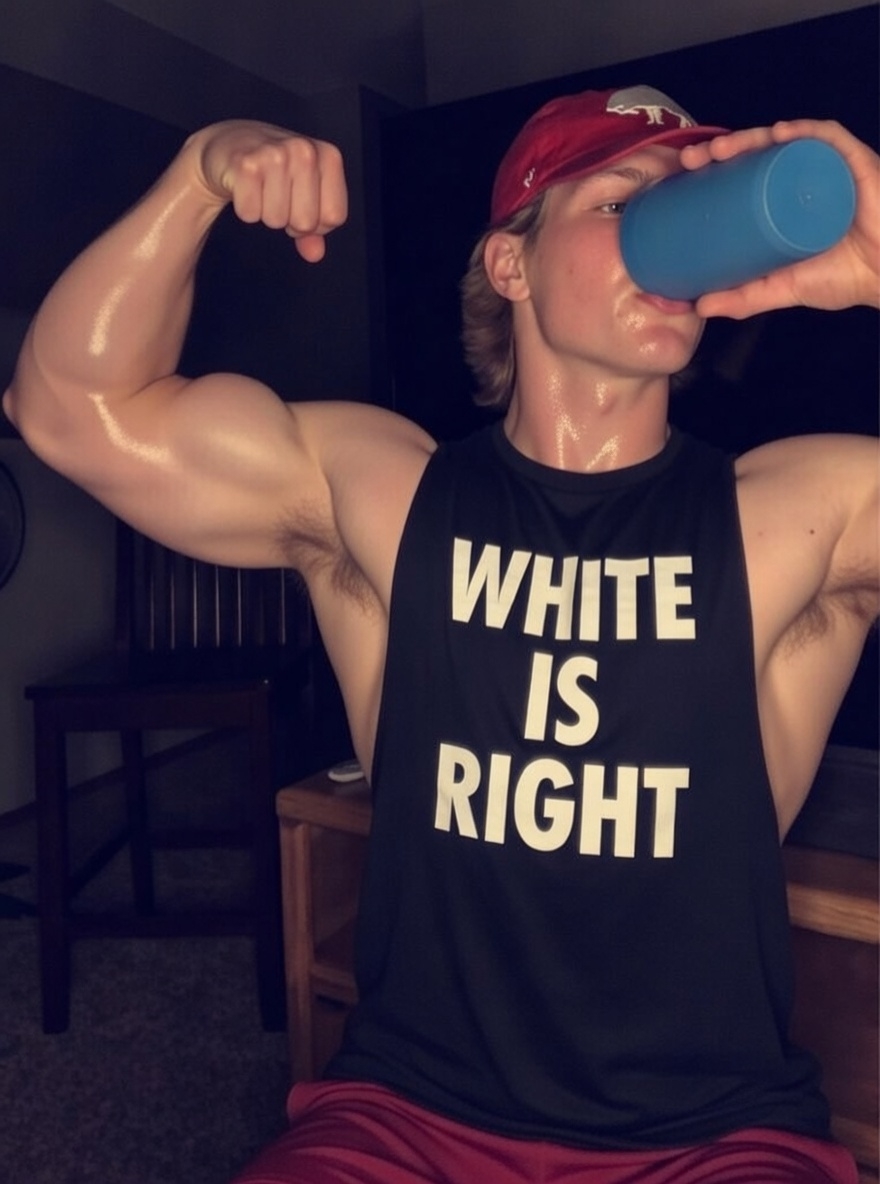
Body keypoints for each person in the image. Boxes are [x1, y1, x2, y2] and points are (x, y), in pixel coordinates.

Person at [4, 84, 878, 1184]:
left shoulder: (797, 514)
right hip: (407, 1117)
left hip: (711, 1137)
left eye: (684, 205)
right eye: (622, 202)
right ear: (510, 263)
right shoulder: (388, 492)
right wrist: (200, 168)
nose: (668, 239)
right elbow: (68, 411)